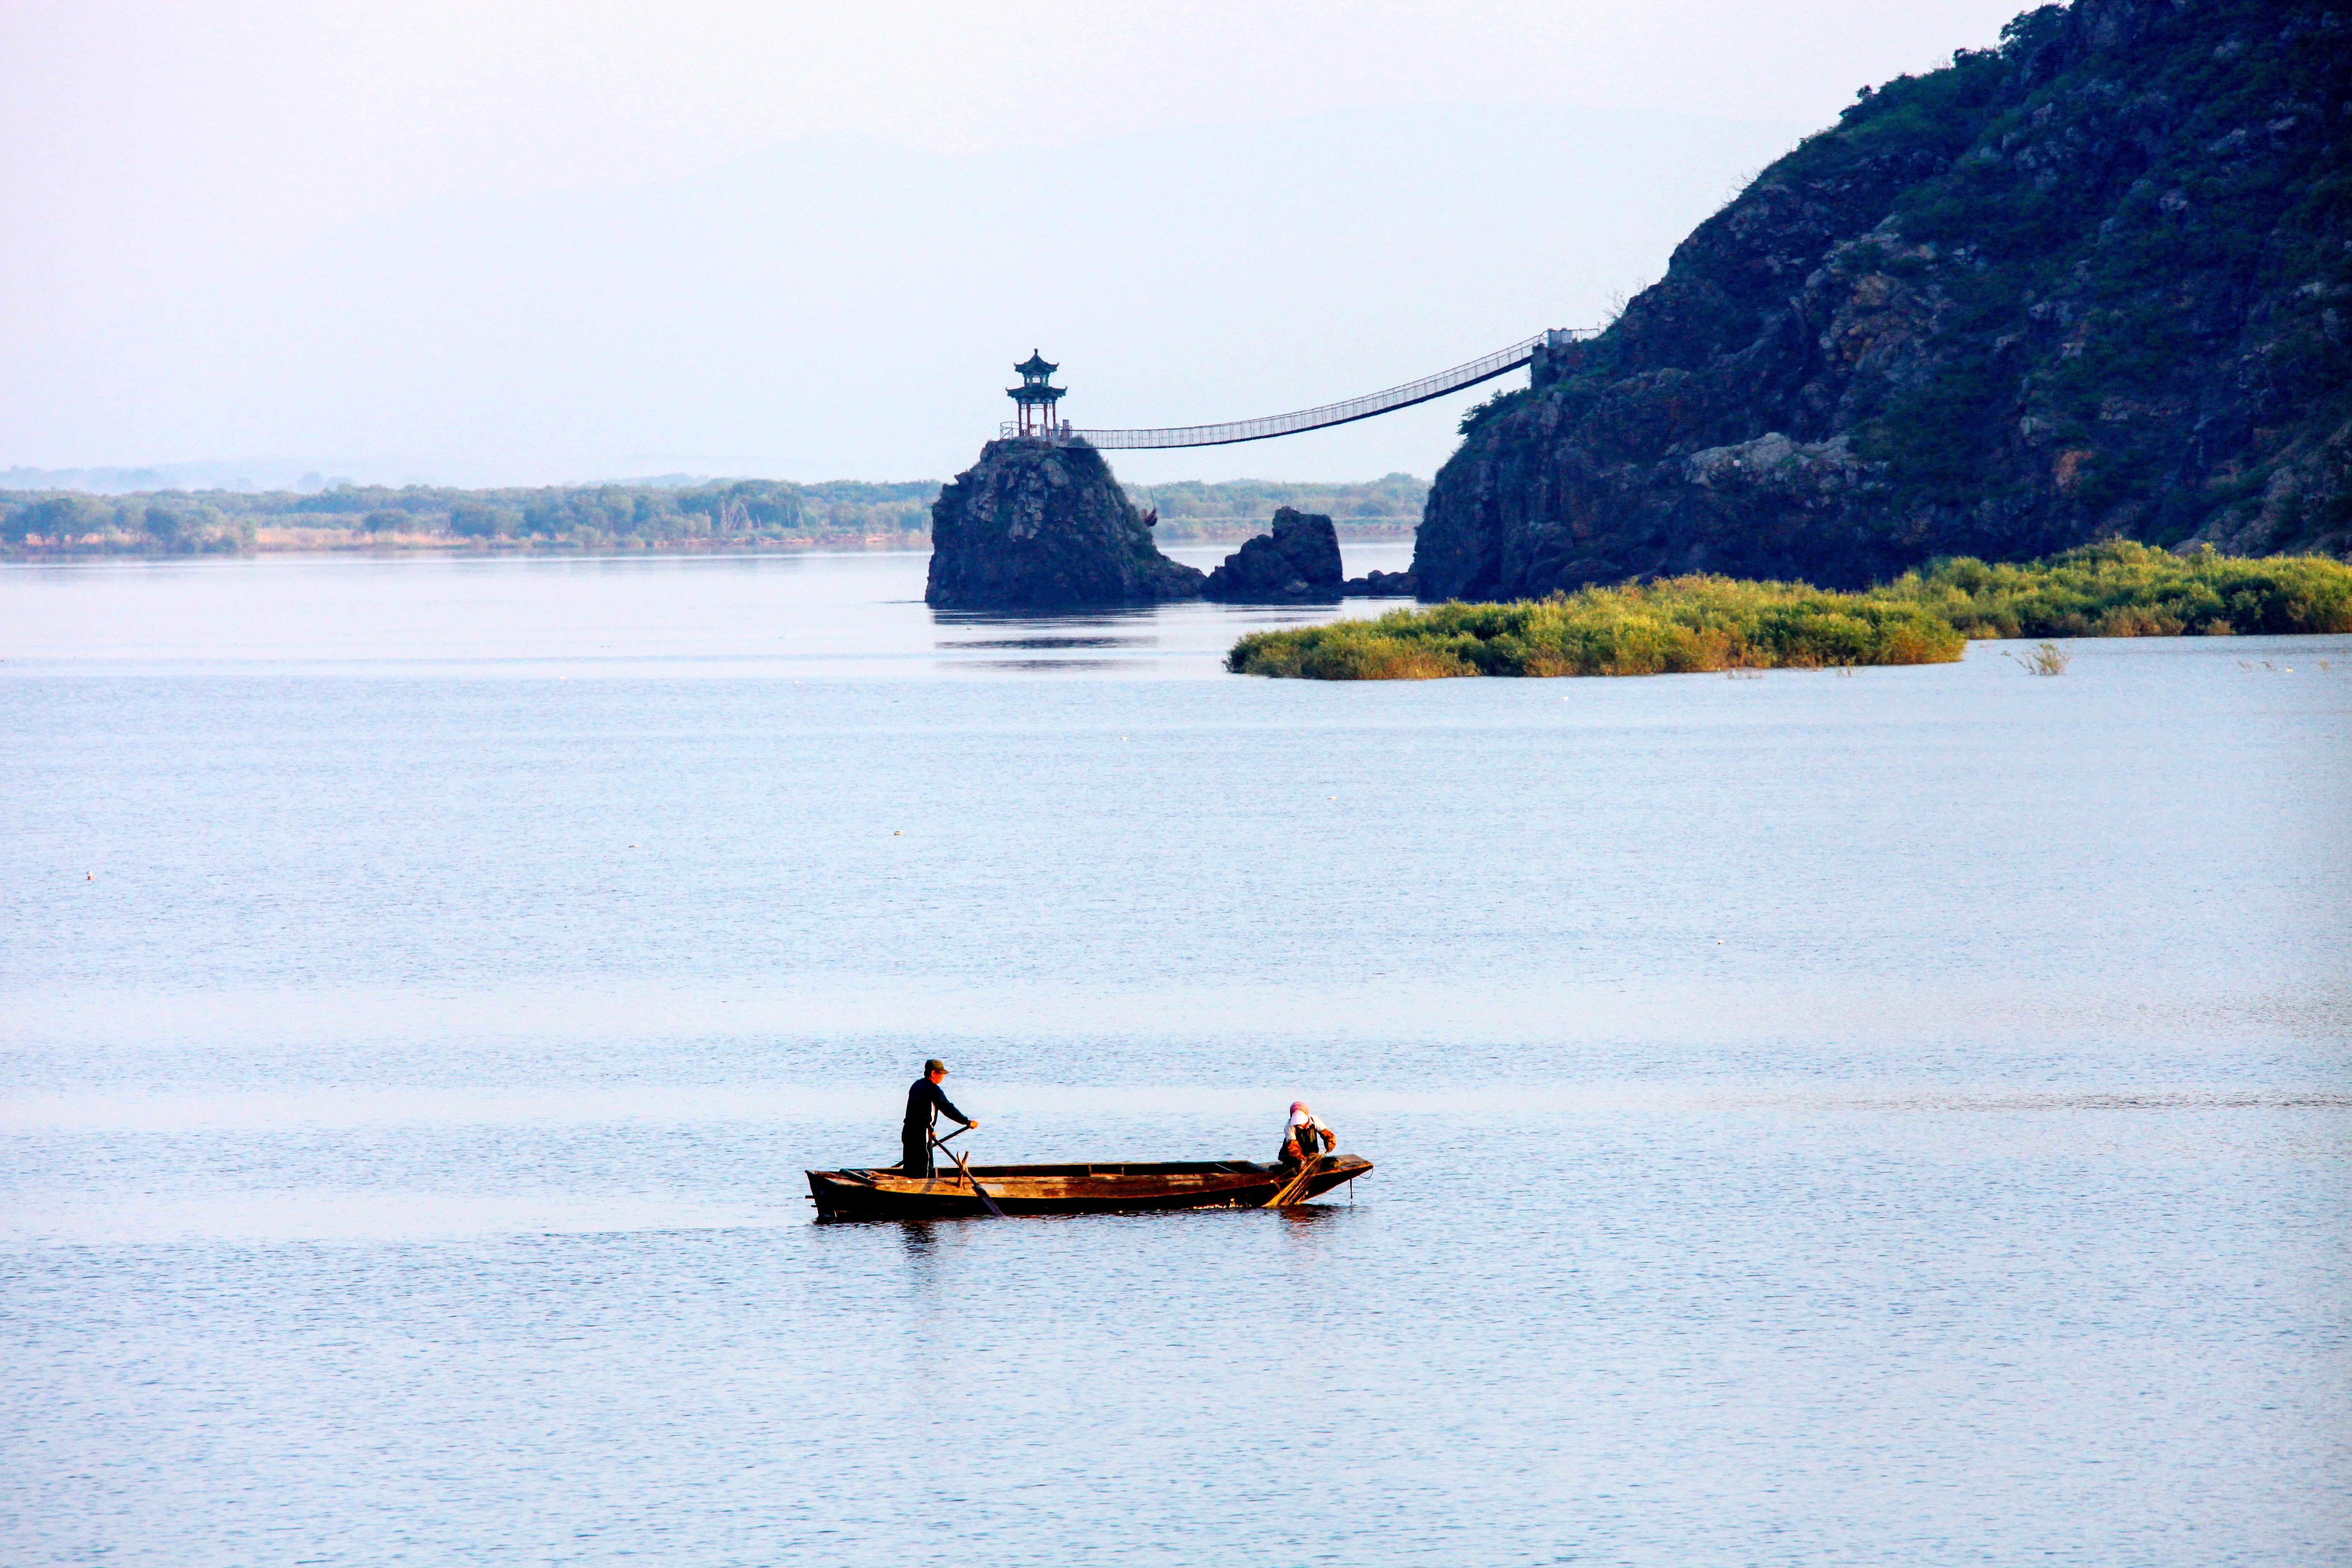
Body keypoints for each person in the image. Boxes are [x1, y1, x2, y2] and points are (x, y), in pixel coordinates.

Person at [902, 1058, 975, 1179]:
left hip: (908, 1132)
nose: (943, 1077)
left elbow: (917, 1111)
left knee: (910, 1168)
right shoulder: (934, 1090)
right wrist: (967, 1122)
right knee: (925, 1171)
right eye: (941, 1074)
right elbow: (948, 1109)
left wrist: (930, 1128)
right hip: (921, 1134)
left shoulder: (916, 1086)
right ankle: (924, 1196)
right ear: (933, 1073)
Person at [1277, 1100, 1335, 1168]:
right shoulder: (1290, 1126)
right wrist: (1301, 1159)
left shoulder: (1315, 1120)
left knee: (1333, 1164)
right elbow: (1293, 1146)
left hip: (1312, 1155)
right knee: (1295, 1169)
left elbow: (1329, 1136)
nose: (1300, 1123)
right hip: (1293, 1157)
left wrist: (1329, 1146)